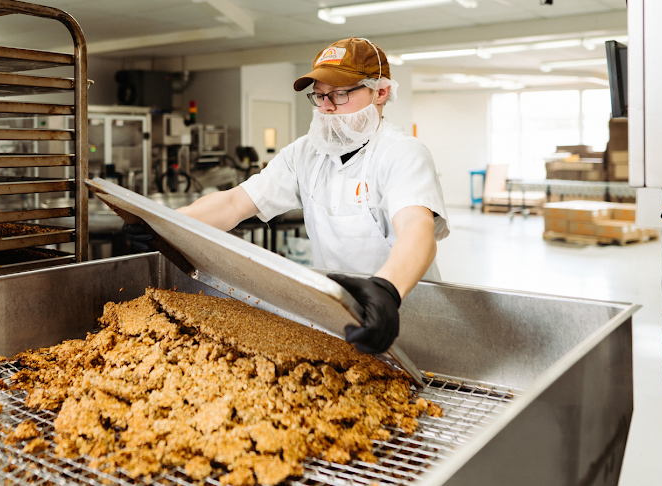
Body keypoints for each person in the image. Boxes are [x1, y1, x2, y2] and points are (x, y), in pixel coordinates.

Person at [133, 37, 449, 354]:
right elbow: (234, 203)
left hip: (402, 312)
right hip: (342, 316)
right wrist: (167, 224)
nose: (326, 107)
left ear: (380, 92)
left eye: (340, 94)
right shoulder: (305, 153)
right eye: (320, 96)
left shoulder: (402, 153)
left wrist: (387, 290)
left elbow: (416, 229)